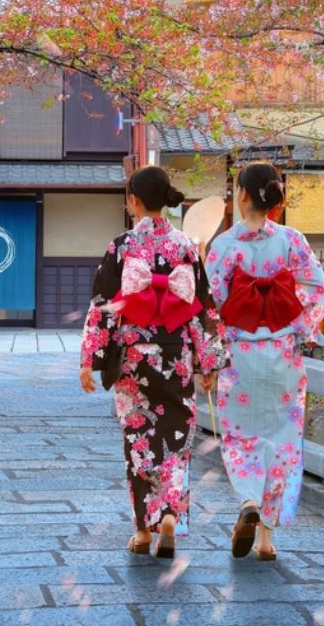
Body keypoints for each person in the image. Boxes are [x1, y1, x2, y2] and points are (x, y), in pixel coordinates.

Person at [79, 166, 227, 559]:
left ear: (134, 201)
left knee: (139, 438)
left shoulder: (122, 246)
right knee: (176, 439)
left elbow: (103, 307)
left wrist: (90, 359)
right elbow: (202, 308)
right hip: (175, 354)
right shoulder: (185, 247)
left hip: (133, 357)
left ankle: (144, 530)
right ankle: (170, 516)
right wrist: (207, 361)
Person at [206, 162, 324, 560]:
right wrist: (300, 330)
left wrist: (207, 361)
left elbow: (210, 308)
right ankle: (265, 540)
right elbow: (316, 288)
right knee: (283, 443)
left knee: (241, 440)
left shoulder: (224, 246)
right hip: (283, 359)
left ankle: (247, 500)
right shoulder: (292, 240)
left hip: (239, 357)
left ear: (241, 195)